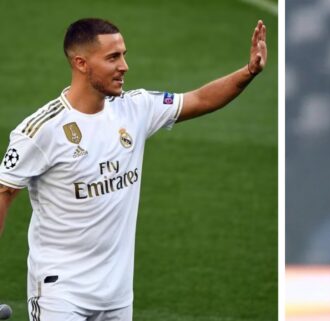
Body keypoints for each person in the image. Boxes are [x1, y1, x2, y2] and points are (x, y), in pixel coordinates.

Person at [0, 17, 266, 321]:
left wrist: (249, 72)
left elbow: (200, 98)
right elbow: (3, 192)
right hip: (60, 292)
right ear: (81, 63)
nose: (124, 65)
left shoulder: (136, 109)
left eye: (124, 54)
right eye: (113, 57)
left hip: (117, 295)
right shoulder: (42, 130)